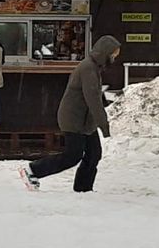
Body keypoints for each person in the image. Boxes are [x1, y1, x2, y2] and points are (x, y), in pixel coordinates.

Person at [20, 35, 121, 193]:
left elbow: (95, 95)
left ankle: (83, 189)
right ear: (105, 53)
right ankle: (33, 170)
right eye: (113, 54)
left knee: (94, 154)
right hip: (74, 119)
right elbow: (92, 99)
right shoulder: (88, 68)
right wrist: (104, 124)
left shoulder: (94, 67)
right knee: (72, 156)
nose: (114, 58)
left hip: (86, 121)